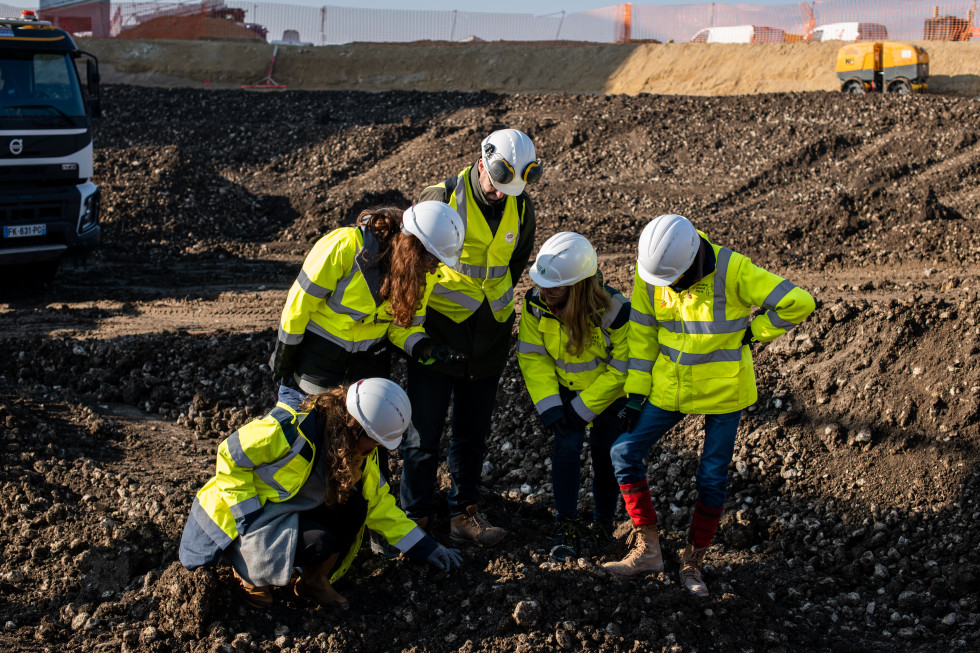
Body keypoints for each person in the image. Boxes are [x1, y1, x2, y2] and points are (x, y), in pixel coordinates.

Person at [603, 214, 815, 597]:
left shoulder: (733, 269)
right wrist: (636, 393)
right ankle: (648, 551)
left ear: (691, 262)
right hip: (673, 386)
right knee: (623, 452)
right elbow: (644, 332)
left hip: (723, 390)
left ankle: (693, 562)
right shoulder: (653, 268)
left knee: (712, 478)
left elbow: (798, 301)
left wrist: (755, 332)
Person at [178, 378, 462, 610]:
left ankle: (313, 581)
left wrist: (426, 547)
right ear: (356, 426)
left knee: (351, 512)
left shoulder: (360, 452)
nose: (375, 448)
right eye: (374, 440)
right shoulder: (292, 427)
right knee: (261, 597)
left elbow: (379, 507)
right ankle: (249, 572)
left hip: (287, 512)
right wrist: (248, 517)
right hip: (239, 514)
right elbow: (229, 454)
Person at [400, 128, 540, 546]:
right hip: (438, 334)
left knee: (471, 434)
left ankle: (463, 512)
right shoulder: (441, 198)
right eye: (496, 186)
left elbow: (513, 267)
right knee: (423, 434)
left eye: (508, 189)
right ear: (482, 162)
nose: (500, 195)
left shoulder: (521, 206)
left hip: (489, 338)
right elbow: (411, 263)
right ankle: (416, 519)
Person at [269, 201, 466, 394]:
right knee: (316, 423)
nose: (433, 270)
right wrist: (283, 362)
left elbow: (402, 329)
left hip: (368, 369)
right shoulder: (345, 246)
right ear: (412, 245)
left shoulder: (422, 275)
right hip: (322, 362)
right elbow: (298, 307)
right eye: (432, 260)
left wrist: (429, 348)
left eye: (439, 263)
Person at [516, 232, 631, 561]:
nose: (545, 292)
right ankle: (565, 524)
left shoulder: (616, 311)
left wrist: (583, 409)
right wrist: (551, 405)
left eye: (555, 287)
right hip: (564, 393)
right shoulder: (537, 304)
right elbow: (533, 356)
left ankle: (603, 526)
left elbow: (621, 369)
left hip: (609, 395)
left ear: (579, 285)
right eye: (542, 284)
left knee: (604, 457)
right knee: (565, 453)